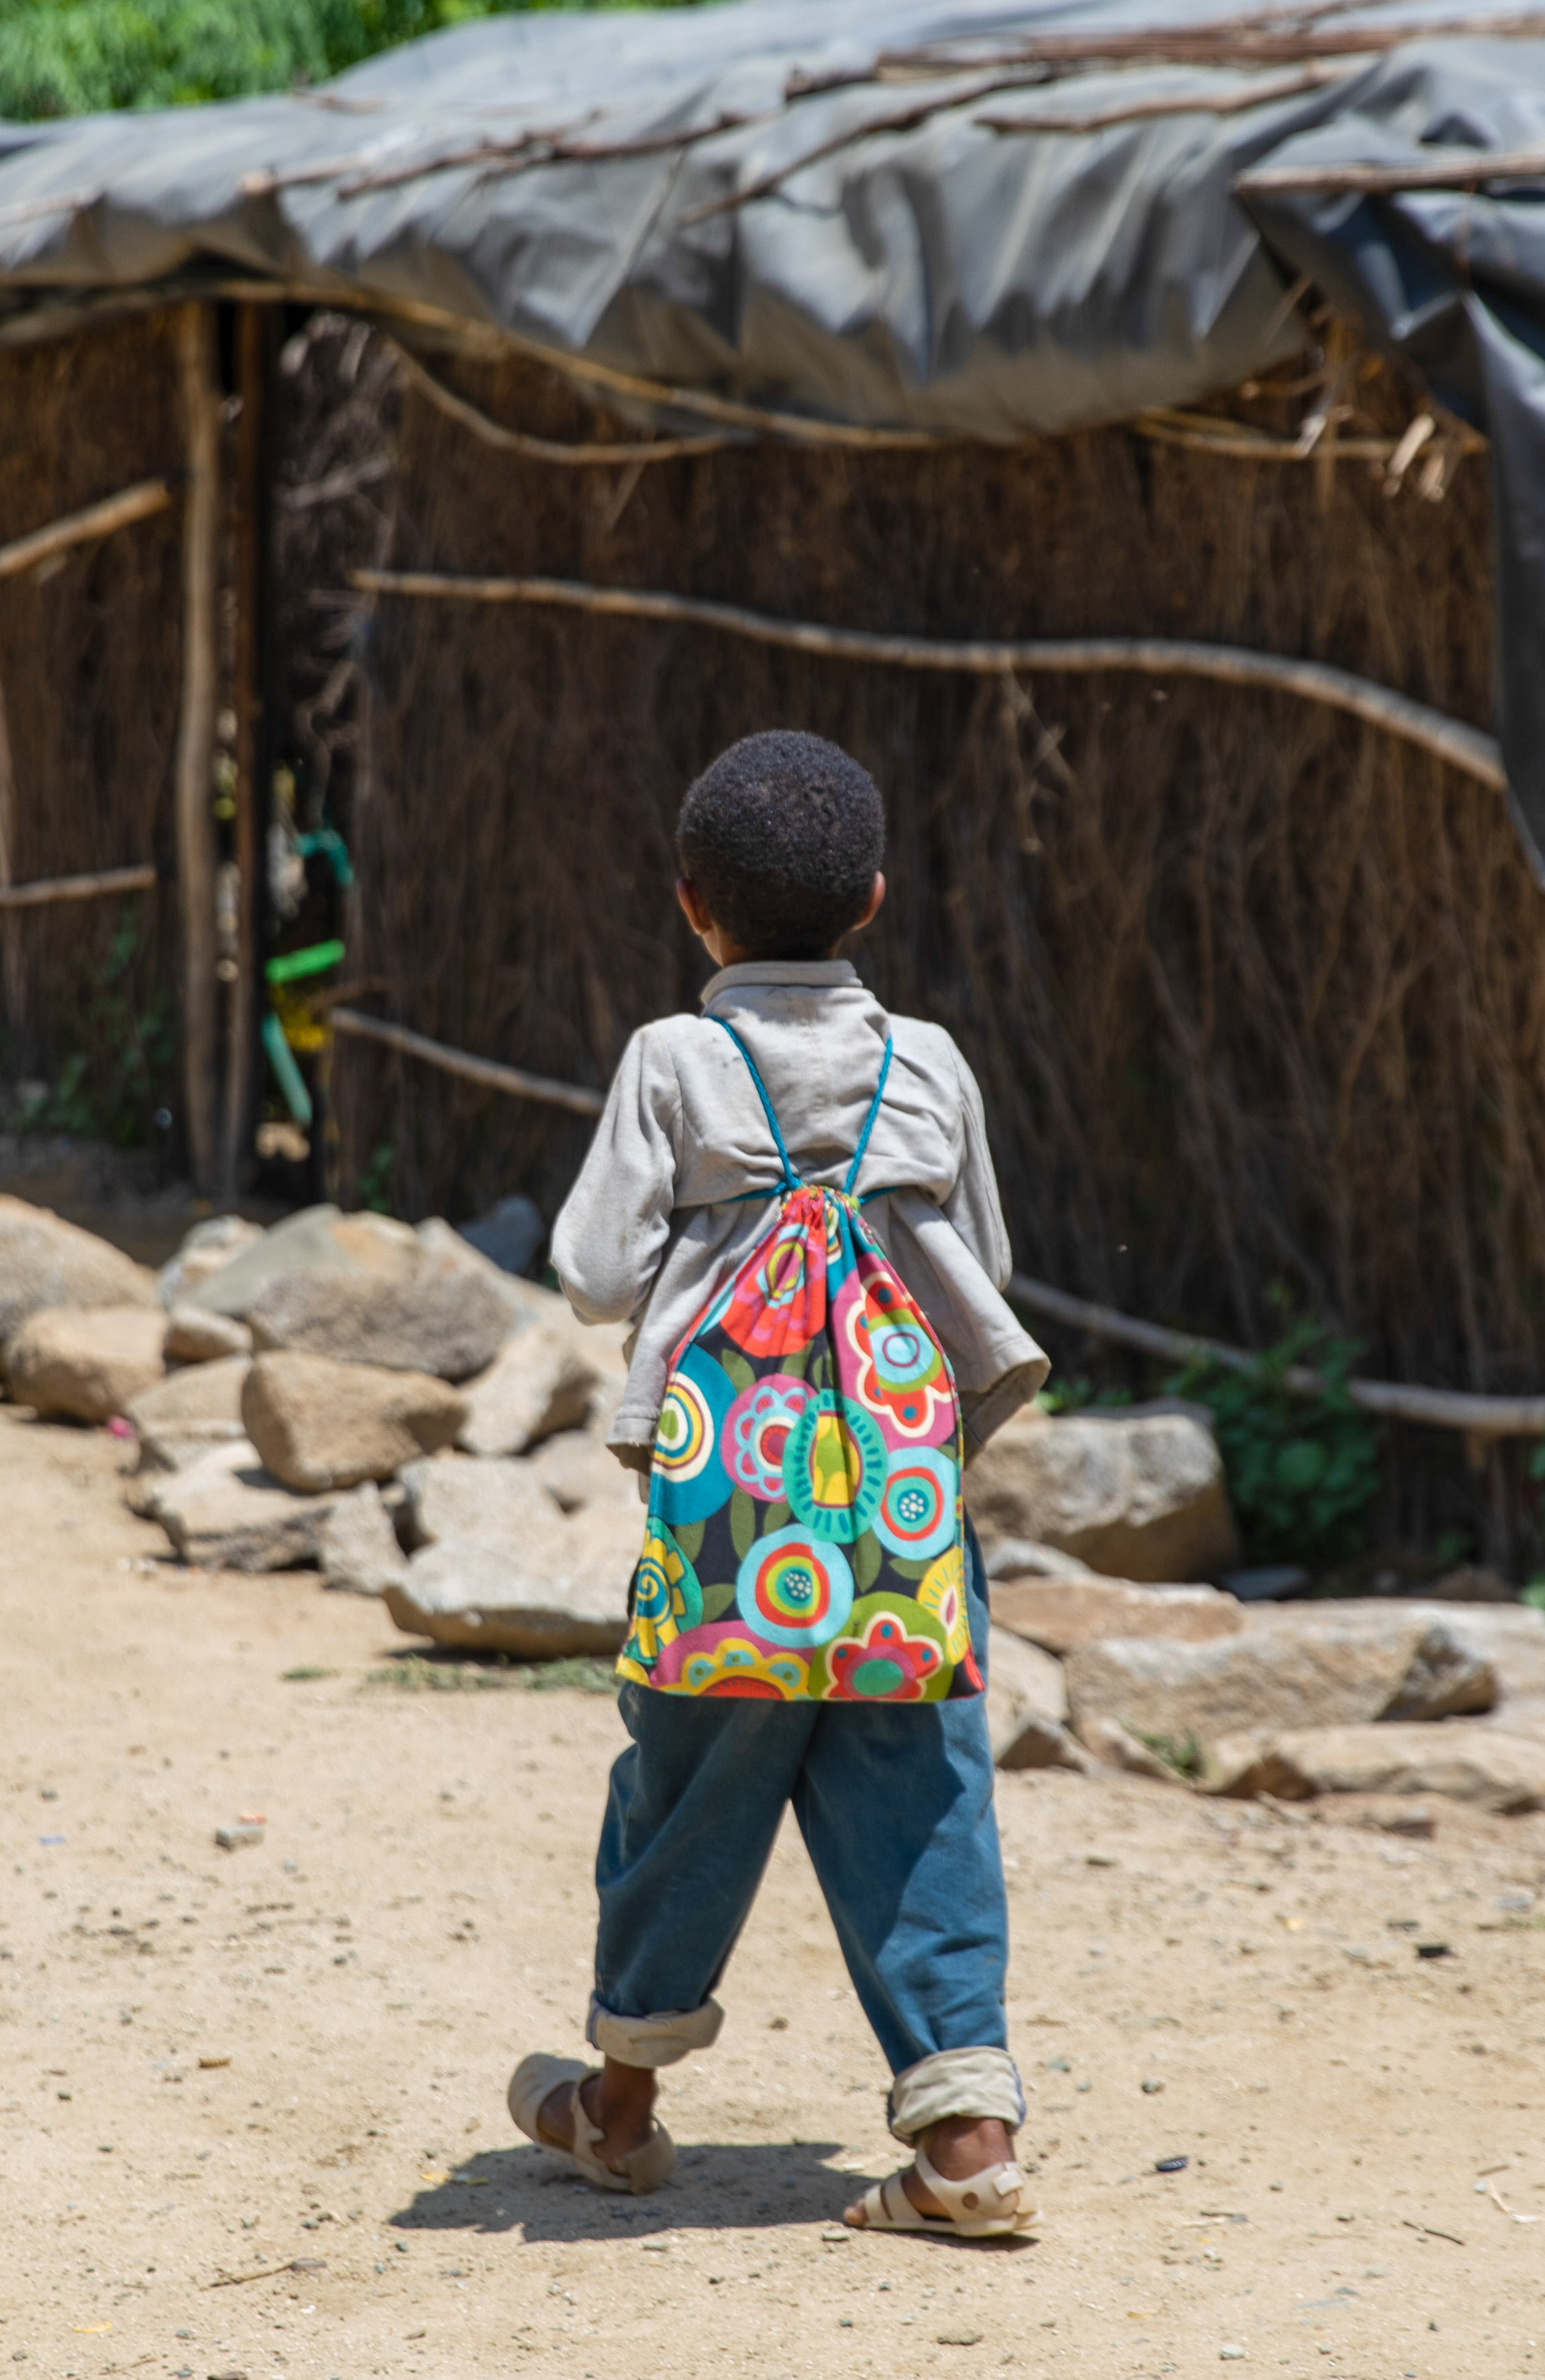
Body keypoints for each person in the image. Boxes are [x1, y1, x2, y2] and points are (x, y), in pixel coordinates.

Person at [515, 729, 1051, 2236]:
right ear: (874, 898)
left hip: (725, 1531)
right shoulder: (929, 1062)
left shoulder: (674, 1060)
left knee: (685, 1786)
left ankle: (615, 2112)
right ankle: (966, 2145)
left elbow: (593, 1269)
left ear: (693, 906)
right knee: (928, 1789)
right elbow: (988, 1273)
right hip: (900, 1521)